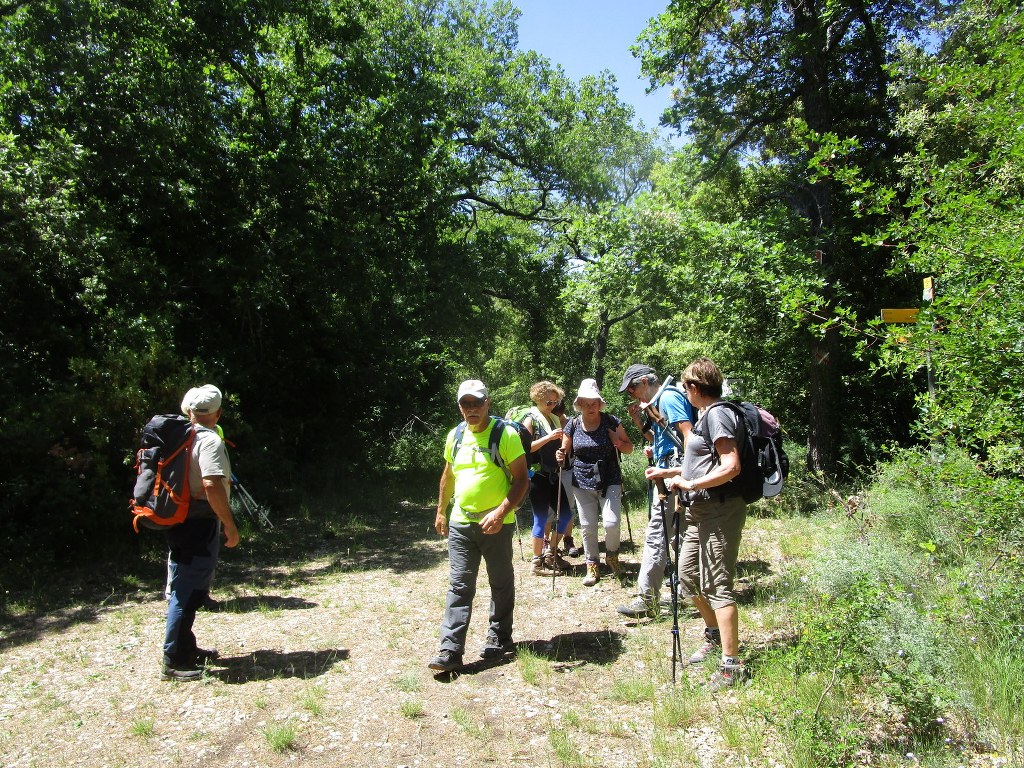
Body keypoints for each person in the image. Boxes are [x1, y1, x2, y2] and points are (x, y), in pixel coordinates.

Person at [430, 380, 530, 673]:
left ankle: (499, 638)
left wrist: (500, 513)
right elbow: (448, 476)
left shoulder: (505, 434)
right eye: (466, 404)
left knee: (500, 582)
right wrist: (441, 512)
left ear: (488, 403)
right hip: (462, 522)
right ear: (460, 407)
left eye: (477, 403)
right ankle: (450, 651)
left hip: (497, 523)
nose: (471, 409)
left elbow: (522, 480)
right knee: (459, 585)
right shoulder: (456, 435)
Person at [663, 357, 749, 690]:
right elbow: (702, 465)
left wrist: (690, 484)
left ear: (695, 388)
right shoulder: (704, 416)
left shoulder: (718, 414)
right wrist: (672, 474)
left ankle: (731, 665)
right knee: (687, 579)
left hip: (720, 510)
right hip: (699, 511)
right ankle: (713, 636)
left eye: (686, 388)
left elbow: (731, 466)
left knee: (718, 584)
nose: (685, 393)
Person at [161, 384, 240, 681]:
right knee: (188, 589)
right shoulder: (207, 441)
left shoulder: (177, 437)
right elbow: (211, 485)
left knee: (184, 581)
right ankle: (174, 660)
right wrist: (230, 525)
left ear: (189, 411)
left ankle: (186, 646)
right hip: (198, 521)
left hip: (177, 518)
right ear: (217, 413)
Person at [615, 364, 695, 618]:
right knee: (679, 534)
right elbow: (660, 438)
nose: (632, 394)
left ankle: (647, 598)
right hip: (673, 473)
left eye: (632, 388)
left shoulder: (668, 397)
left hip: (672, 475)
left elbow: (688, 436)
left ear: (646, 382)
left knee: (657, 533)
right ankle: (686, 594)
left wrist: (676, 471)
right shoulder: (660, 401)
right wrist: (639, 422)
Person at [556, 379, 633, 586]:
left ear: (600, 403)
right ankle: (592, 564)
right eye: (586, 403)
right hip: (581, 479)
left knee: (611, 522)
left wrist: (617, 441)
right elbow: (565, 452)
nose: (591, 407)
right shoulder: (572, 425)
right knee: (588, 526)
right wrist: (560, 457)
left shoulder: (611, 421)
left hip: (610, 478)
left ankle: (612, 557)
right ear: (579, 404)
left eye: (594, 403)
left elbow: (628, 447)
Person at [517, 381, 572, 576]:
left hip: (554, 473)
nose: (552, 405)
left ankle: (551, 553)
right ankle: (536, 563)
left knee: (566, 515)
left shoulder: (554, 419)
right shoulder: (530, 419)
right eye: (549, 402)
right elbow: (526, 448)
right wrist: (549, 438)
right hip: (537, 475)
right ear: (538, 399)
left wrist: (560, 453)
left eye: (555, 402)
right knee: (540, 518)